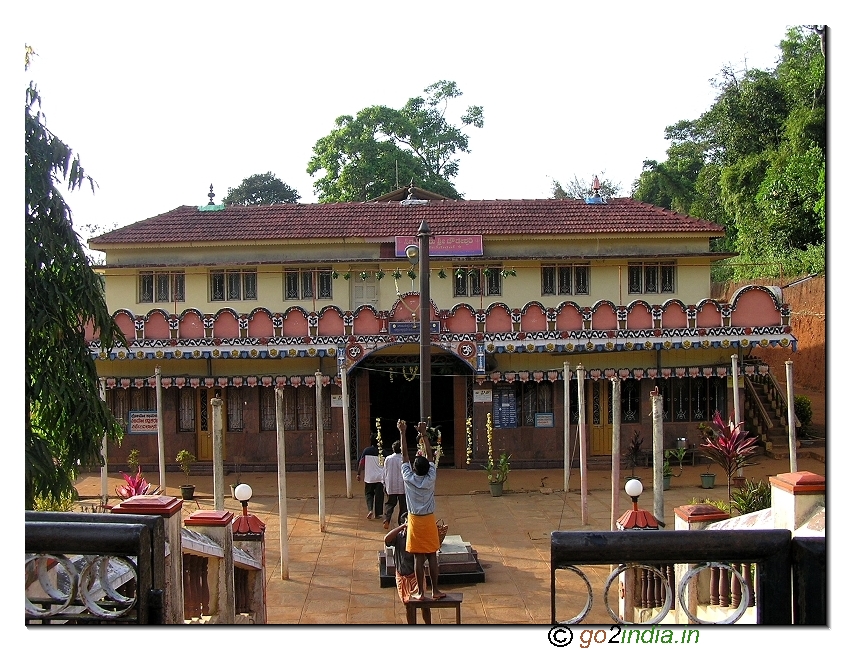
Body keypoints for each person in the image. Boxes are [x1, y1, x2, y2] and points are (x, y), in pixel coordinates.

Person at [397, 419, 445, 600]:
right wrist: (424, 434)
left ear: (414, 469)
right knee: (432, 554)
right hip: (428, 519)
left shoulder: (408, 478)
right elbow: (431, 457)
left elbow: (404, 457)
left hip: (415, 520)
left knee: (418, 557)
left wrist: (402, 433)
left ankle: (420, 591)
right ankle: (435, 590)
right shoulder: (431, 477)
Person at [383, 512, 431, 624]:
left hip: (415, 576)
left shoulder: (417, 537)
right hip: (402, 576)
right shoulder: (399, 537)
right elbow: (386, 539)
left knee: (424, 604)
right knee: (408, 605)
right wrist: (403, 526)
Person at [356, 435, 384, 520]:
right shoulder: (383, 452)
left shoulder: (366, 451)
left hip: (369, 477)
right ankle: (378, 514)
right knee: (379, 495)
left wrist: (358, 473)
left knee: (369, 494)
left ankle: (370, 509)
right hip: (380, 477)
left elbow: (361, 463)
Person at [382, 440, 408, 530]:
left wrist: (384, 483)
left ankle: (387, 519)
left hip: (391, 485)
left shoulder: (388, 459)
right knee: (403, 506)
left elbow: (384, 471)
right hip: (402, 486)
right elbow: (409, 471)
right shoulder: (404, 459)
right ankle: (401, 523)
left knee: (390, 504)